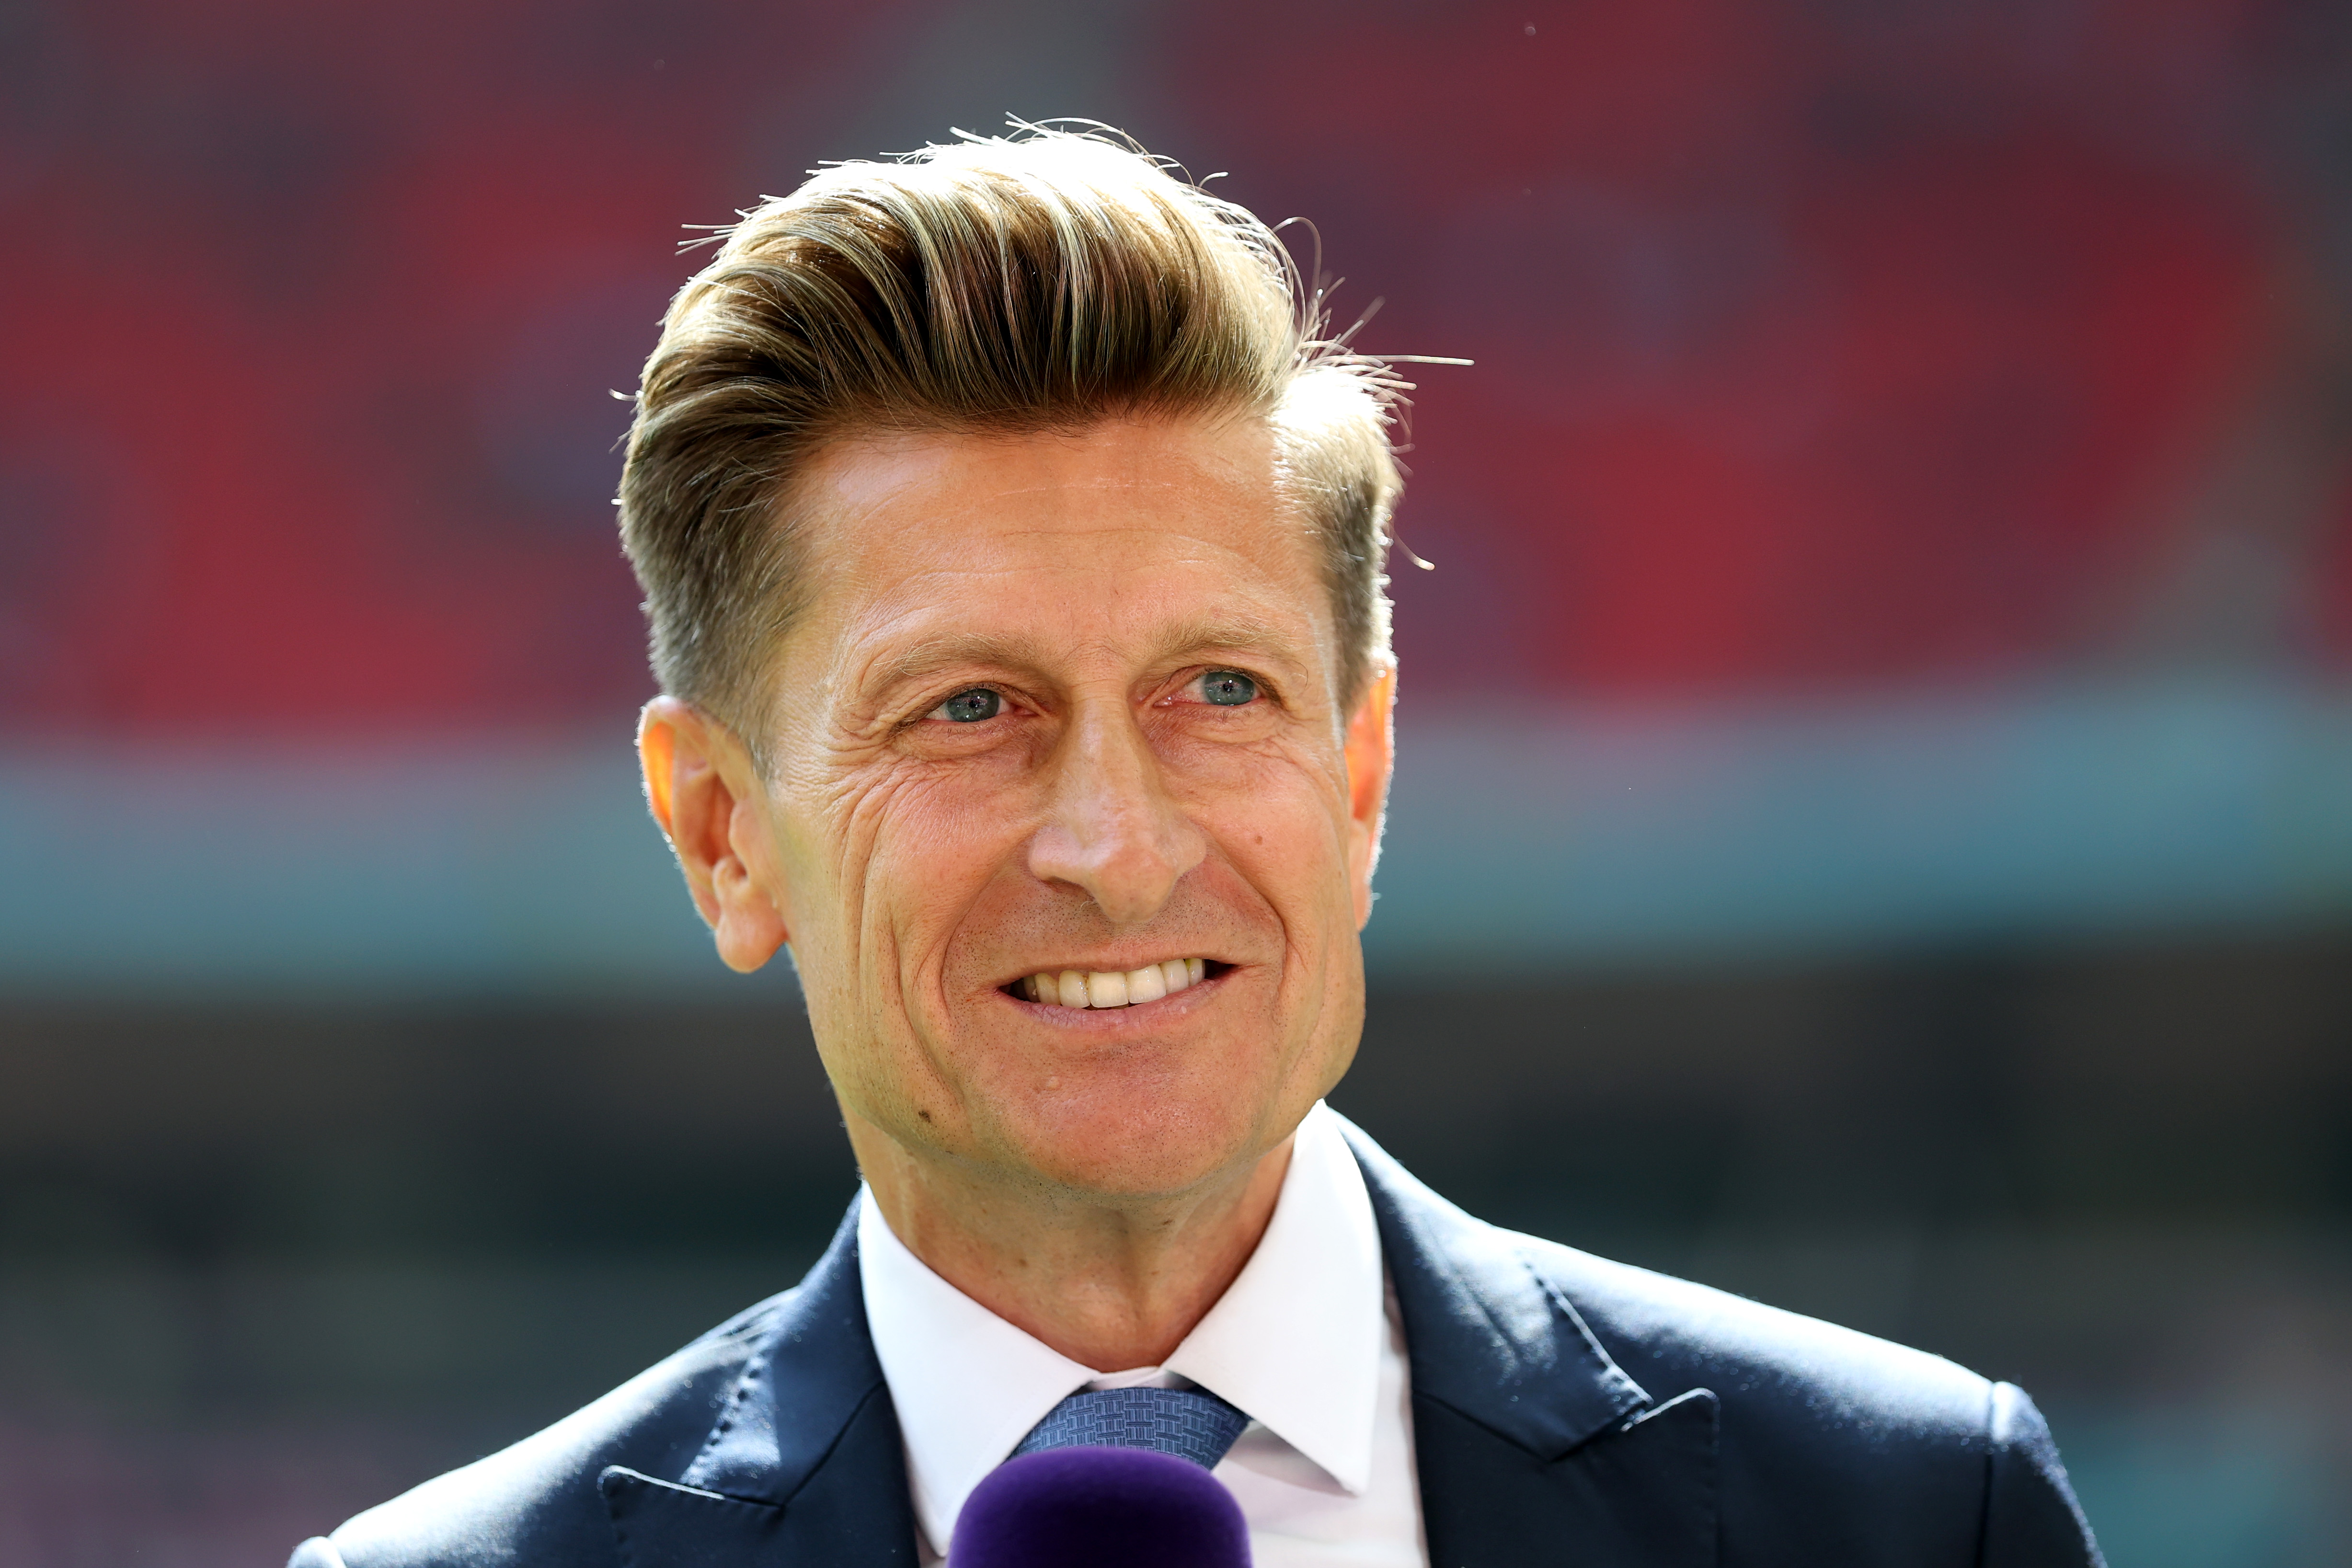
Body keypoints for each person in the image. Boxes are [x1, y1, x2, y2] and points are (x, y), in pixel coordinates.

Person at [289, 127, 2103, 1568]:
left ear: (1364, 762)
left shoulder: (1910, 1516)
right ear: (722, 833)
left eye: (1218, 690)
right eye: (969, 709)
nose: (1114, 843)